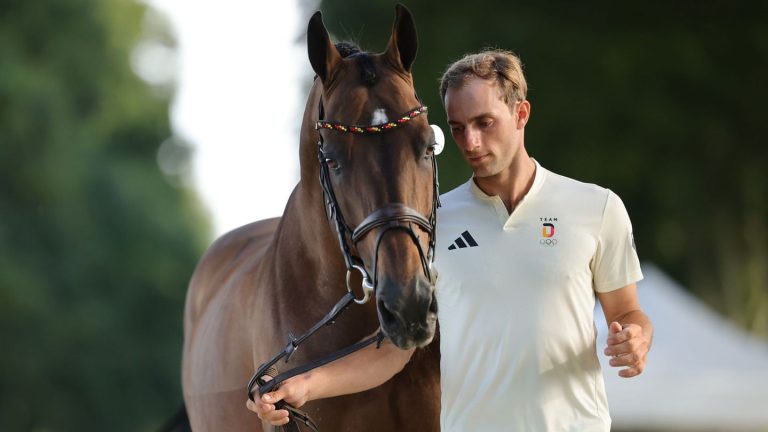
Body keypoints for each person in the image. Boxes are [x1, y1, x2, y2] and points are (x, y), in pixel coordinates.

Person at [247, 49, 653, 431]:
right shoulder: (432, 224)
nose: (470, 142)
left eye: (484, 123)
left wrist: (635, 339)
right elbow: (395, 351)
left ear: (521, 113)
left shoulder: (597, 208)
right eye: (457, 129)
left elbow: (629, 312)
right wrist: (303, 385)